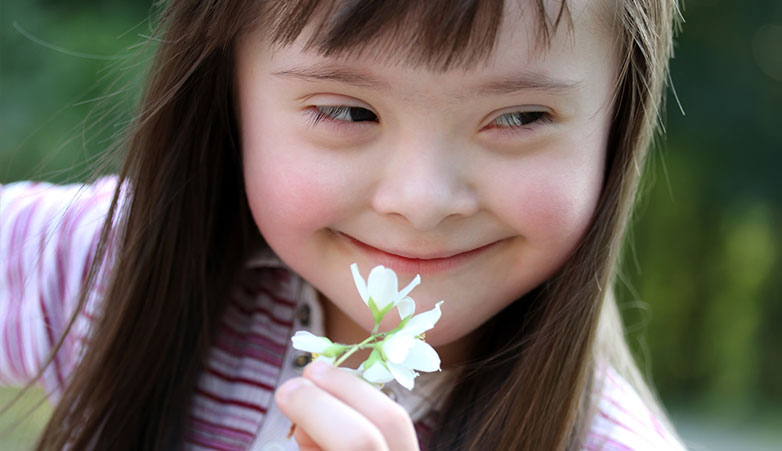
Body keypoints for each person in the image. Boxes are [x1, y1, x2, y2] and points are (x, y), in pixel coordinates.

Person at [0, 0, 687, 449]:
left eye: (518, 117)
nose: (421, 201)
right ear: (228, 92)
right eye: (348, 111)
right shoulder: (113, 269)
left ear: (617, 124)